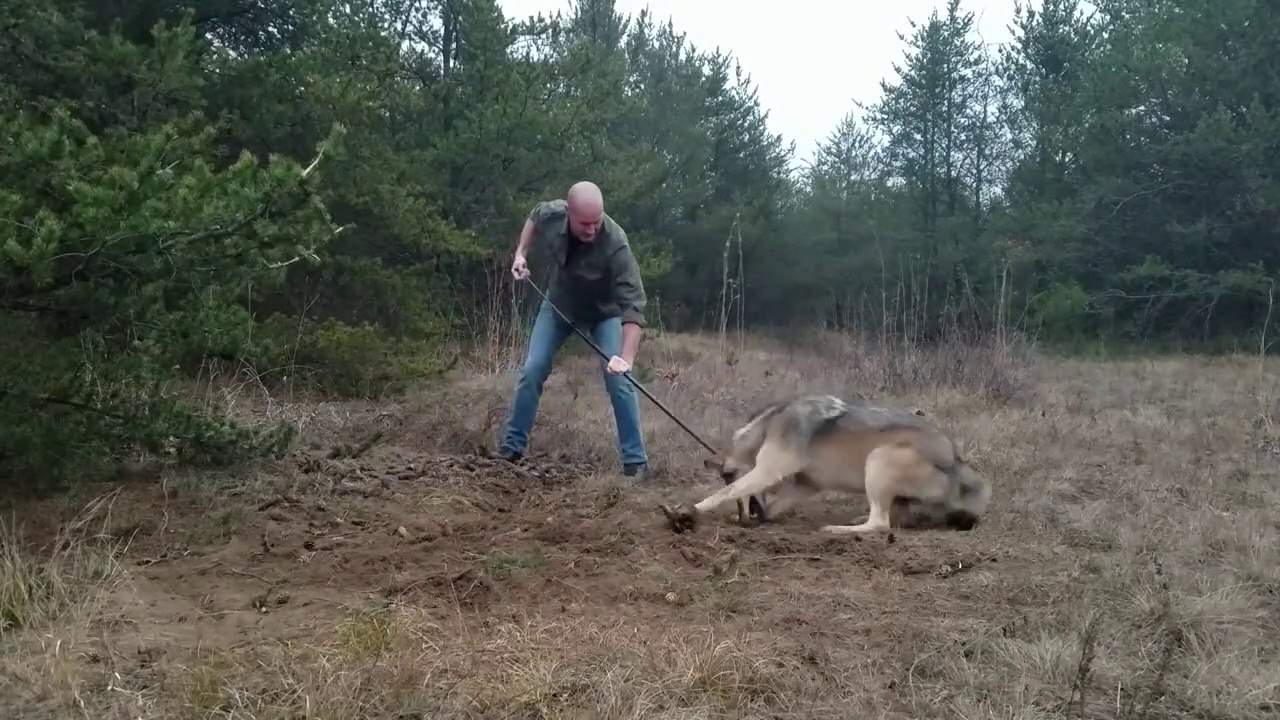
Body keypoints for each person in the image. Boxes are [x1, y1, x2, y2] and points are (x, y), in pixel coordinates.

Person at [497, 181, 650, 479]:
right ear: (569, 214)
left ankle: (636, 463)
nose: (592, 229)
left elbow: (633, 306)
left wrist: (626, 358)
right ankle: (510, 451)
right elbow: (534, 216)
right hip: (558, 307)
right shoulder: (554, 214)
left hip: (604, 314)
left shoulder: (617, 243)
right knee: (533, 369)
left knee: (619, 380)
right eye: (585, 224)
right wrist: (520, 254)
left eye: (597, 222)